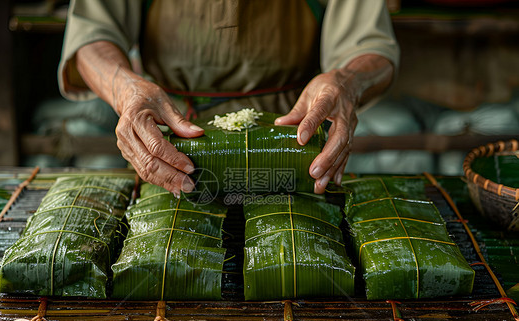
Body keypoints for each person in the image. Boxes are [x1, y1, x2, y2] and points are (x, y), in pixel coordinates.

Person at [58, 0, 399, 196]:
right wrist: (124, 89)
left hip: (293, 148)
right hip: (170, 147)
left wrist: (346, 81)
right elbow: (92, 34)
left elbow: (371, 45)